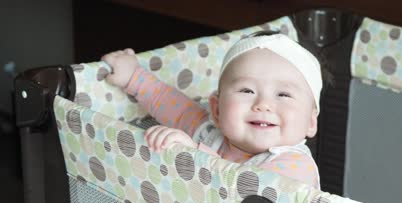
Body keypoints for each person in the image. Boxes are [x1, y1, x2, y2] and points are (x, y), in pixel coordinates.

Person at [102, 32, 322, 188]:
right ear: (216, 110)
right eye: (247, 90)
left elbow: (247, 192)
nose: (263, 104)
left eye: (283, 95)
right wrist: (133, 77)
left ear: (311, 122)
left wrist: (195, 156)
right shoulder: (208, 133)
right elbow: (166, 101)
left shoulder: (296, 166)